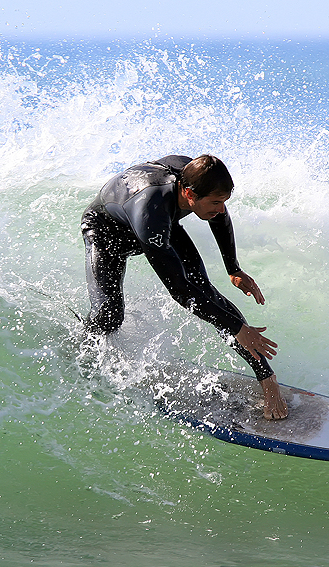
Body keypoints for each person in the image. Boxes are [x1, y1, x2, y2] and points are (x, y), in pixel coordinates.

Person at [81, 154, 288, 420]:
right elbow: (179, 290)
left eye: (224, 202)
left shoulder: (195, 174)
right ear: (189, 193)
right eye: (215, 202)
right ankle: (84, 347)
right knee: (109, 315)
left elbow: (219, 217)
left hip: (159, 224)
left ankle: (268, 381)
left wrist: (233, 268)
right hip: (108, 233)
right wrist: (238, 328)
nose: (221, 209)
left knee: (207, 292)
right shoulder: (151, 209)